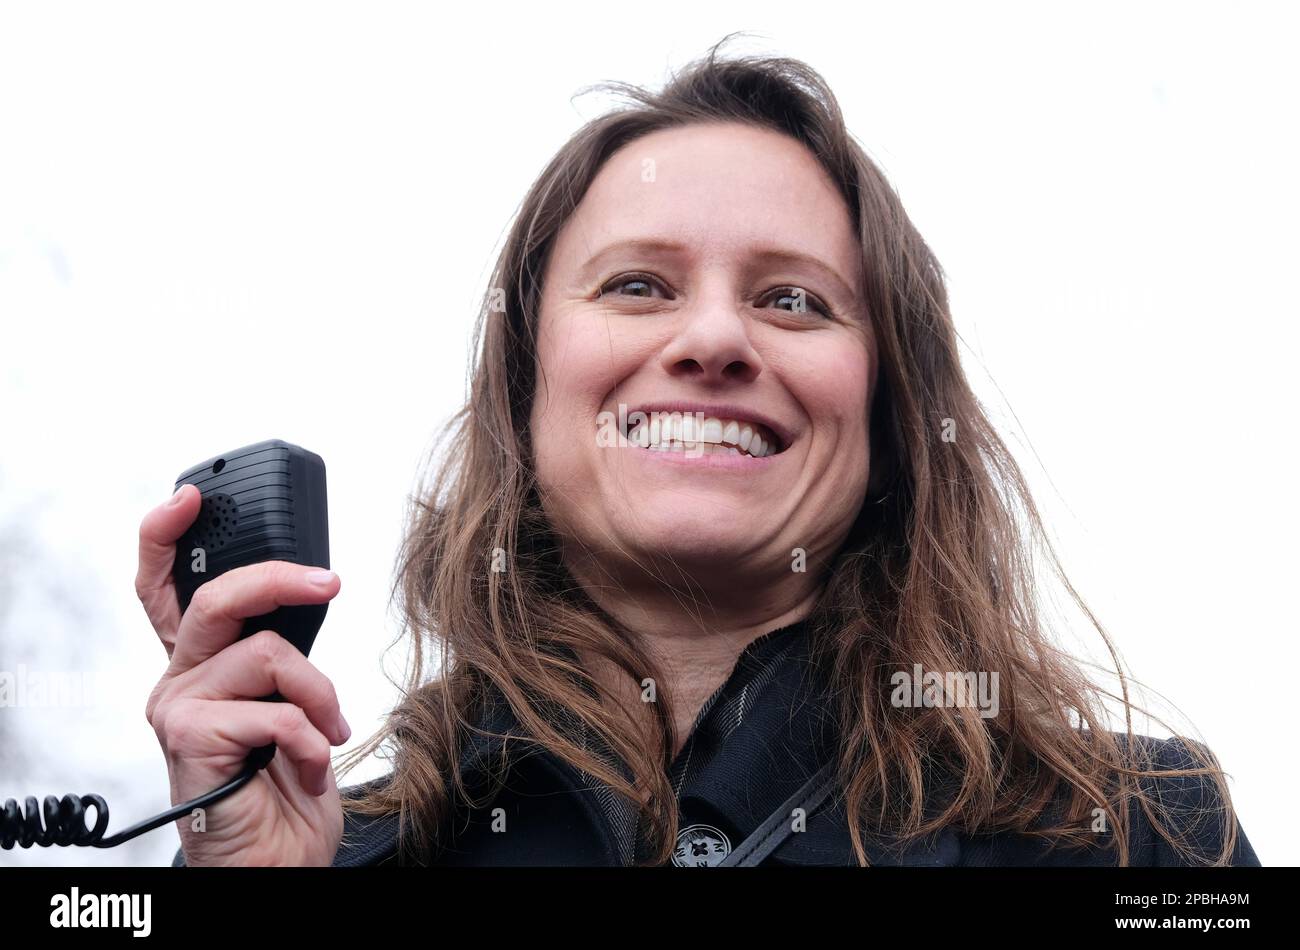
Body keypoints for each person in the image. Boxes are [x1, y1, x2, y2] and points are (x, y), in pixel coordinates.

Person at [139, 36, 1260, 867]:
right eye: (638, 286)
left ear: (888, 409)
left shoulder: (1145, 833)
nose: (715, 339)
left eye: (793, 299)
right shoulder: (339, 848)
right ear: (528, 388)